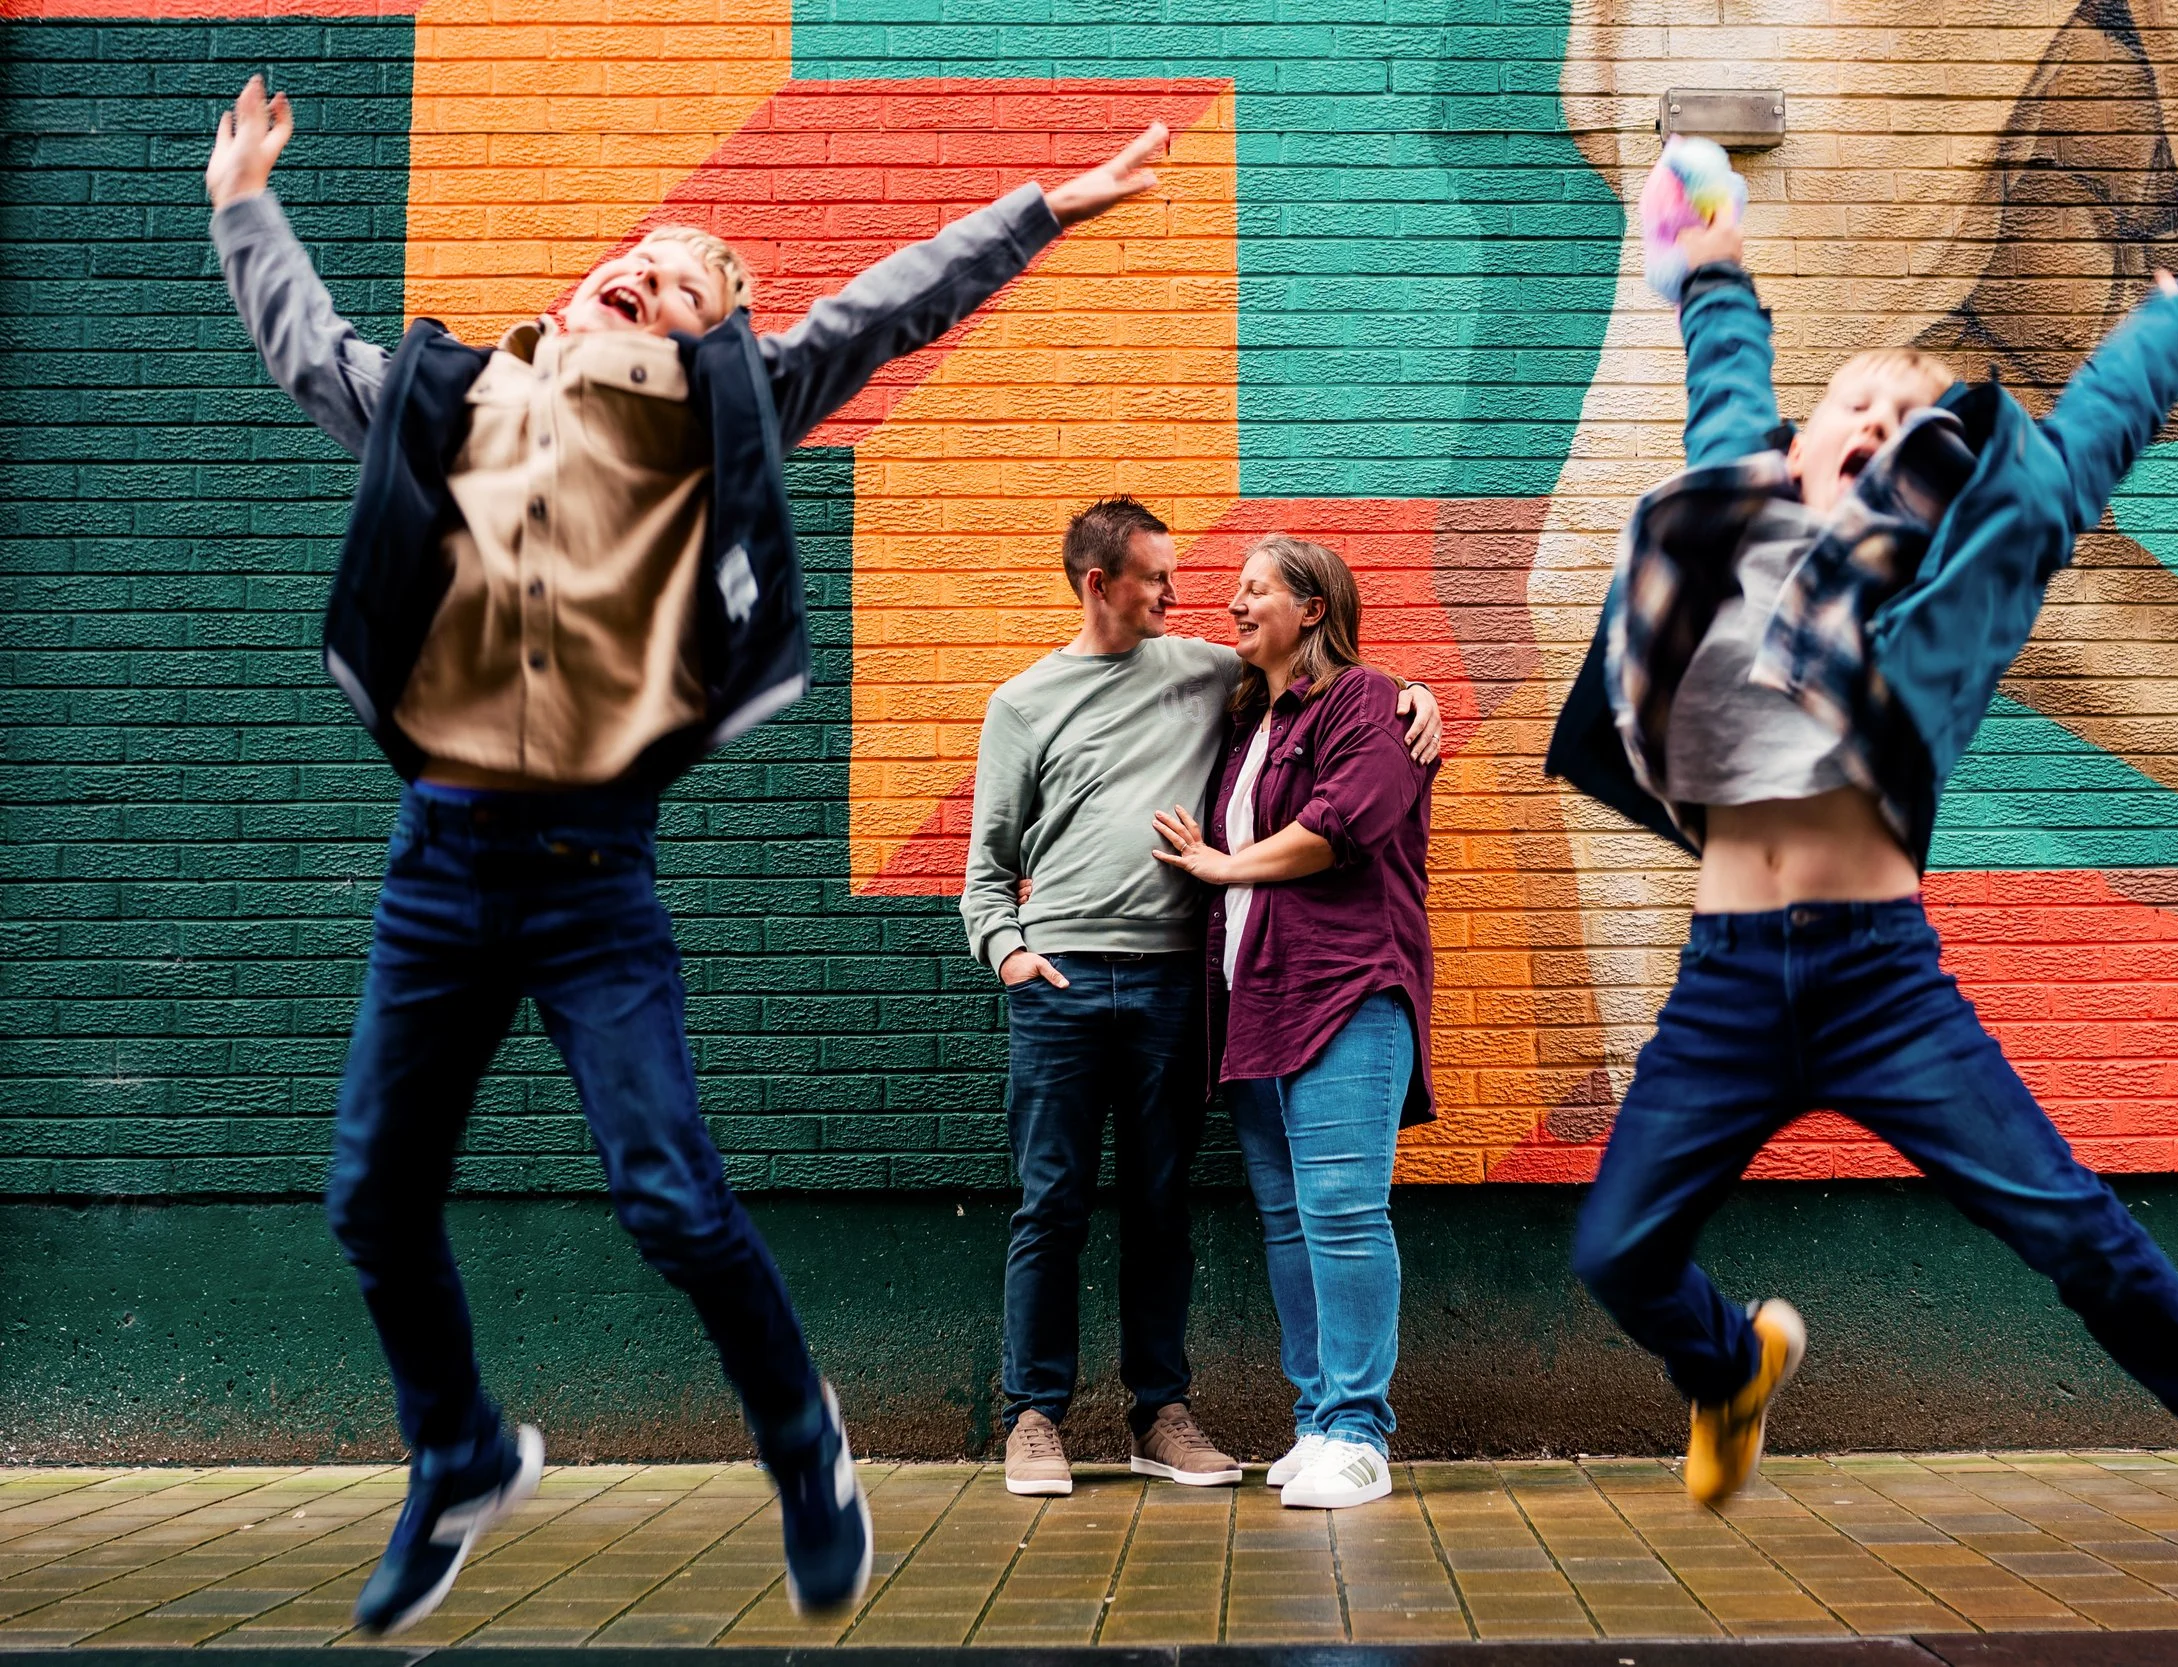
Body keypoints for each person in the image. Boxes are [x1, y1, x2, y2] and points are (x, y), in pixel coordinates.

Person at [205, 75, 1167, 1632]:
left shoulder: (720, 414)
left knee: (668, 1196)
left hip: (593, 875)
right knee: (372, 1195)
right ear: (577, 287)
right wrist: (244, 201)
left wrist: (1039, 212)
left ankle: (806, 1446)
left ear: (702, 335)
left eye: (681, 283)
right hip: (438, 858)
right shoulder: (450, 396)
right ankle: (455, 1451)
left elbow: (882, 310)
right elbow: (305, 345)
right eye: (630, 259)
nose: (640, 276)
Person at [1543, 190, 2178, 1610]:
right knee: (1616, 1250)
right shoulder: (1730, 503)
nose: (1864, 427)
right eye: (1847, 406)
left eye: (1898, 423)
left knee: (2078, 1235)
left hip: (1879, 979)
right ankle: (1732, 1365)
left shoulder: (1963, 569)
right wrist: (1695, 179)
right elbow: (1721, 325)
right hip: (1731, 978)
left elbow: (2085, 436)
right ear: (1797, 439)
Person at [961, 502, 1438, 1496]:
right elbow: (985, 869)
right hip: (1063, 982)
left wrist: (1415, 695)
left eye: (1226, 587)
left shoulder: (1211, 673)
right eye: (1157, 578)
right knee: (1051, 1205)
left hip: (1183, 985)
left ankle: (1161, 1412)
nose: (1193, 599)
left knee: (1162, 1206)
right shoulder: (1025, 703)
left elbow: (1338, 692)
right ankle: (1035, 1416)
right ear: (1100, 583)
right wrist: (1008, 951)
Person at [1151, 535, 1437, 1510]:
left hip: (1347, 993)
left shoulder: (1363, 700)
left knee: (1344, 1211)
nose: (1233, 604)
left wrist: (1221, 866)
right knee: (1289, 1218)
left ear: (1313, 608)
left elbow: (1344, 823)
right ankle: (1317, 1417)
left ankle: (1360, 1429)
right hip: (1256, 1006)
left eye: (1255, 589)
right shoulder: (1246, 724)